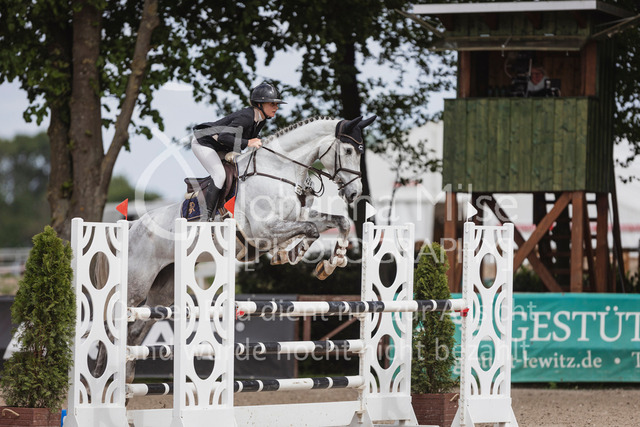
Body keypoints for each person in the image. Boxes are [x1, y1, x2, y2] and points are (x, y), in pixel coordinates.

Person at [191, 82, 286, 219]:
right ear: (260, 104)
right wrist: (248, 142)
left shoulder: (261, 119)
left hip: (222, 146)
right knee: (219, 175)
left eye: (277, 104)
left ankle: (226, 209)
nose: (276, 107)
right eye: (273, 104)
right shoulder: (246, 117)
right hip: (204, 142)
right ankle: (206, 217)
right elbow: (224, 137)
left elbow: (247, 139)